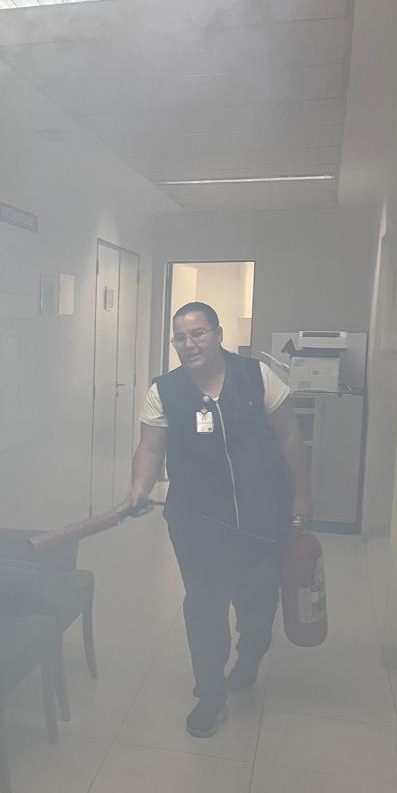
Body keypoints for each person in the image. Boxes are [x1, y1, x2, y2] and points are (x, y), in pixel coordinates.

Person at [123, 301, 311, 737]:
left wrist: (303, 494)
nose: (189, 343)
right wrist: (139, 487)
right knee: (205, 606)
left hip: (261, 515)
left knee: (258, 607)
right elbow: (150, 447)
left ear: (218, 334)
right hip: (197, 520)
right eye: (181, 337)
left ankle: (250, 656)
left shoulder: (256, 376)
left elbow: (289, 435)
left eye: (198, 333)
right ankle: (210, 694)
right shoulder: (165, 390)